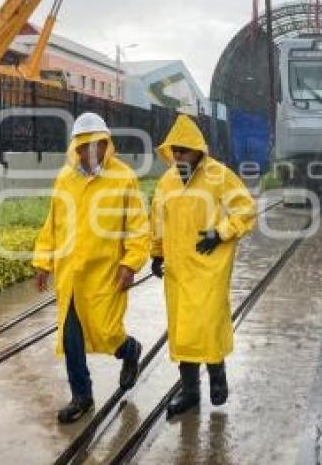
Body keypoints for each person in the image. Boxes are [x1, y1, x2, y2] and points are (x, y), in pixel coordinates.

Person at [33, 112, 150, 424]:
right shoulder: (65, 179)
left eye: (97, 144)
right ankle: (81, 396)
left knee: (107, 331)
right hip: (71, 275)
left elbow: (138, 226)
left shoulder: (123, 177)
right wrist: (44, 261)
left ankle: (130, 350)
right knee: (71, 337)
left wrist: (130, 263)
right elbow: (53, 223)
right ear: (77, 148)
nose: (91, 151)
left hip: (106, 273)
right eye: (84, 145)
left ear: (106, 144)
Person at [150, 114, 256, 418]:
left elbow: (246, 209)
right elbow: (158, 219)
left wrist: (220, 233)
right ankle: (190, 390)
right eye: (175, 150)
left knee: (207, 323)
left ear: (198, 149)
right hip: (178, 268)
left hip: (210, 265)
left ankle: (217, 373)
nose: (179, 155)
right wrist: (156, 253)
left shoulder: (219, 175)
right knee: (183, 328)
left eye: (184, 149)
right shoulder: (167, 181)